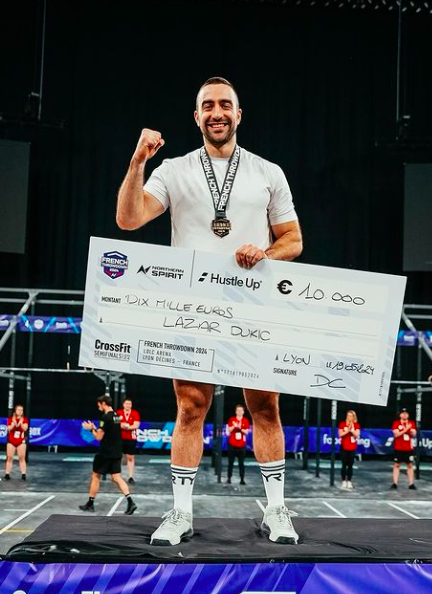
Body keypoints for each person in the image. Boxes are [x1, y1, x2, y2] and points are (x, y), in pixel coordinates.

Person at [116, 77, 302, 545]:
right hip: (193, 310)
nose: (216, 112)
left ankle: (277, 510)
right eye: (207, 106)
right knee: (190, 406)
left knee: (265, 406)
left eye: (225, 105)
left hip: (254, 308)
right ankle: (181, 514)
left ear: (239, 115)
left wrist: (265, 255)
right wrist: (139, 160)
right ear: (196, 117)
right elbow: (129, 218)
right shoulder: (174, 171)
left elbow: (293, 240)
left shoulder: (268, 172)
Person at [79, 395, 137, 514]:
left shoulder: (105, 417)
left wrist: (90, 429)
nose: (98, 406)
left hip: (105, 453)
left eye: (99, 404)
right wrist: (96, 428)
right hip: (116, 452)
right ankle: (131, 501)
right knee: (116, 477)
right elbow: (108, 431)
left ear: (103, 403)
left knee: (95, 476)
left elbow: (99, 437)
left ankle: (90, 503)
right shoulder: (117, 416)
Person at [390, 408, 417, 491]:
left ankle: (411, 483)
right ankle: (395, 483)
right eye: (403, 413)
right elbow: (396, 434)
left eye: (406, 413)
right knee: (397, 465)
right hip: (399, 448)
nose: (404, 414)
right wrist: (406, 429)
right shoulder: (396, 423)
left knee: (410, 465)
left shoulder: (411, 423)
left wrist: (408, 430)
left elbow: (414, 434)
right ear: (400, 415)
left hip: (408, 448)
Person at [117, 398, 141, 485]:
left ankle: (130, 477)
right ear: (123, 404)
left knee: (130, 458)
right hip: (120, 438)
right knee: (118, 457)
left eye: (129, 404)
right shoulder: (118, 413)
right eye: (126, 404)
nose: (128, 405)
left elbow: (136, 425)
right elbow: (116, 424)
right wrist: (123, 425)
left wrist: (126, 426)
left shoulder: (135, 413)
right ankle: (117, 476)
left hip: (131, 438)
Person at [226, 404, 251, 486]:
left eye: (241, 410)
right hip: (232, 444)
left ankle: (242, 479)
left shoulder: (245, 420)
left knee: (241, 463)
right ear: (236, 411)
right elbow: (229, 430)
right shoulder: (232, 419)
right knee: (230, 463)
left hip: (241, 445)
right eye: (238, 410)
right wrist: (235, 426)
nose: (239, 412)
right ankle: (229, 478)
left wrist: (240, 428)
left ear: (243, 412)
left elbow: (246, 432)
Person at [4, 404, 28, 481]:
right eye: (18, 410)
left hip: (21, 441)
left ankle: (23, 474)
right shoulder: (10, 419)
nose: (20, 411)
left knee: (21, 458)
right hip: (11, 441)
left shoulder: (25, 419)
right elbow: (9, 428)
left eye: (22, 410)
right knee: (9, 458)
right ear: (15, 410)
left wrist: (20, 423)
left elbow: (25, 428)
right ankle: (7, 474)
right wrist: (14, 423)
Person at [337, 410, 360, 490]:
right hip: (344, 447)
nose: (349, 417)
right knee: (344, 464)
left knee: (350, 465)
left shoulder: (356, 425)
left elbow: (357, 435)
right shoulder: (342, 424)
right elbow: (340, 434)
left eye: (351, 416)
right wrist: (347, 430)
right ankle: (343, 480)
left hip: (352, 447)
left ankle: (349, 481)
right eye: (348, 415)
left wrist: (352, 430)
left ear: (353, 417)